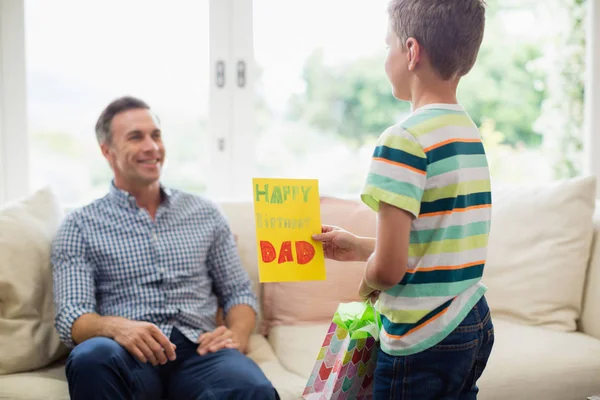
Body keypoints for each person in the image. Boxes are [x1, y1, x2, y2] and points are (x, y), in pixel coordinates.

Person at [312, 1, 494, 398]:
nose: (385, 58)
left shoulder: (402, 139)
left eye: (387, 45)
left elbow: (389, 272)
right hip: (470, 321)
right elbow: (438, 244)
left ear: (411, 52)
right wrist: (360, 247)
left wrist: (366, 281)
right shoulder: (467, 133)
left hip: (421, 336)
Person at [51, 96, 279, 400]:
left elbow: (238, 292)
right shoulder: (79, 225)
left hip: (201, 350)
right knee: (91, 357)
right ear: (107, 151)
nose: (152, 147)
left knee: (253, 389)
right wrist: (118, 329)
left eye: (156, 135)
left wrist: (236, 334)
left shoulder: (205, 213)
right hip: (128, 352)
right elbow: (72, 316)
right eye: (136, 137)